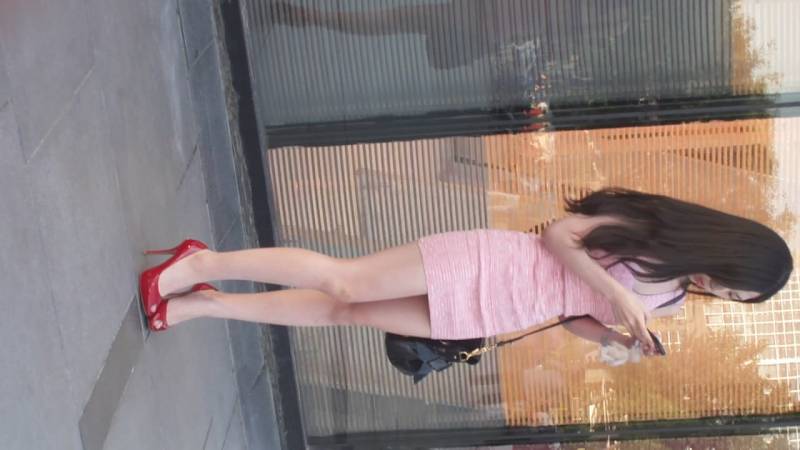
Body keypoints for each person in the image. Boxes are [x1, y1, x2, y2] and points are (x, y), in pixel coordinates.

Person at [139, 188, 793, 356]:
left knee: (344, 313)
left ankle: (207, 303)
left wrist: (618, 337)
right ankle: (201, 261)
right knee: (345, 281)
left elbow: (574, 320)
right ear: (729, 253)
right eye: (729, 281)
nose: (717, 291)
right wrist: (618, 295)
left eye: (730, 297)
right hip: (494, 262)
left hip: (496, 312)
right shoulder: (662, 231)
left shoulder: (671, 301)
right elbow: (560, 237)